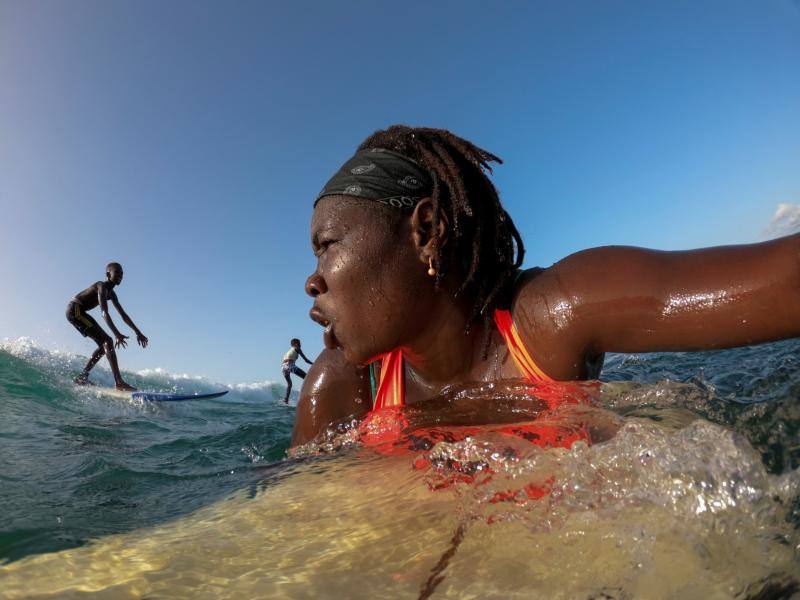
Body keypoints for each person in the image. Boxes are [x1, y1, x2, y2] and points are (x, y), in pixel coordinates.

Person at [291, 125, 800, 446]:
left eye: (327, 245)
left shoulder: (549, 319)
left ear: (426, 233)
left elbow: (786, 279)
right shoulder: (342, 390)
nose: (313, 279)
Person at [66, 262, 148, 391]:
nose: (120, 276)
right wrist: (116, 334)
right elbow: (104, 312)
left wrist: (138, 332)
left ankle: (82, 376)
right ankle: (119, 382)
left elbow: (123, 315)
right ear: (108, 274)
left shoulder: (112, 294)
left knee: (104, 345)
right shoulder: (101, 286)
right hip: (74, 310)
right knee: (107, 341)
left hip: (80, 312)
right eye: (117, 273)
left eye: (122, 274)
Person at [282, 338, 312, 404]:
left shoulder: (289, 350)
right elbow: (306, 360)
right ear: (296, 344)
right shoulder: (297, 348)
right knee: (307, 377)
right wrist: (314, 364)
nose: (300, 345)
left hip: (283, 367)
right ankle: (307, 396)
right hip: (290, 365)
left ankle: (286, 400)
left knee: (289, 384)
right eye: (299, 343)